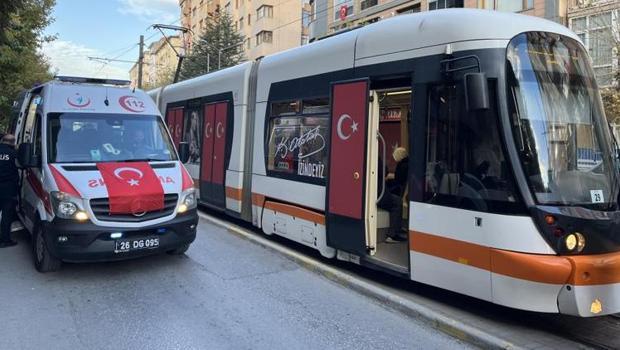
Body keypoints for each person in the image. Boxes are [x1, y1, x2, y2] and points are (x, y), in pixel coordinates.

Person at [377, 156, 406, 243]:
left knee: (396, 199)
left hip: (374, 192)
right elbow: (384, 172)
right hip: (378, 192)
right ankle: (392, 235)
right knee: (397, 202)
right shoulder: (376, 157)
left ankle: (397, 228)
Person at [0, 134, 18, 247]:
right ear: (12, 143)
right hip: (7, 188)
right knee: (6, 215)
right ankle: (5, 240)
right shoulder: (13, 154)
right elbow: (20, 166)